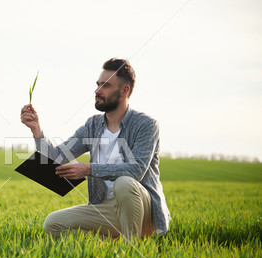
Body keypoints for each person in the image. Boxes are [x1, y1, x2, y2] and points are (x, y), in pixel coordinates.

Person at [20, 58, 170, 240]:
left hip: (143, 212)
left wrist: (89, 169)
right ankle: (111, 248)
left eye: (105, 86)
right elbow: (57, 156)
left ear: (124, 90)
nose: (97, 91)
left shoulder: (146, 125)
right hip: (106, 210)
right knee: (53, 223)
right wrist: (37, 129)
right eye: (98, 84)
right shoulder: (93, 125)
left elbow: (136, 170)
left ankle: (133, 250)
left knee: (124, 183)